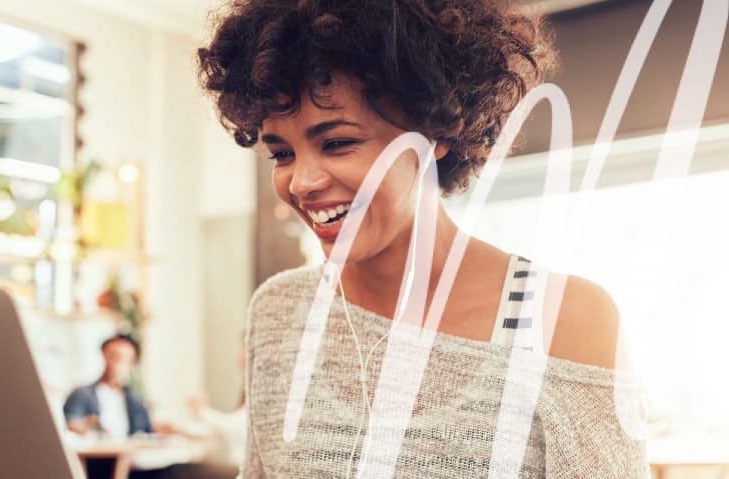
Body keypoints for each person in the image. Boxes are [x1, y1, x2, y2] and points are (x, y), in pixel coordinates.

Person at [197, 1, 648, 477]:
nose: (302, 182)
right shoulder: (280, 313)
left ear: (435, 131)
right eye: (281, 153)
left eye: (337, 142)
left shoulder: (564, 319)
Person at [63, 334, 152, 439]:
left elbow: (145, 430)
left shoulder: (135, 398)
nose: (115, 363)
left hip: (129, 453)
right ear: (103, 356)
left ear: (131, 364)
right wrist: (85, 425)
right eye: (112, 356)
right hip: (96, 454)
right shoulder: (82, 394)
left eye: (122, 359)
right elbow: (69, 425)